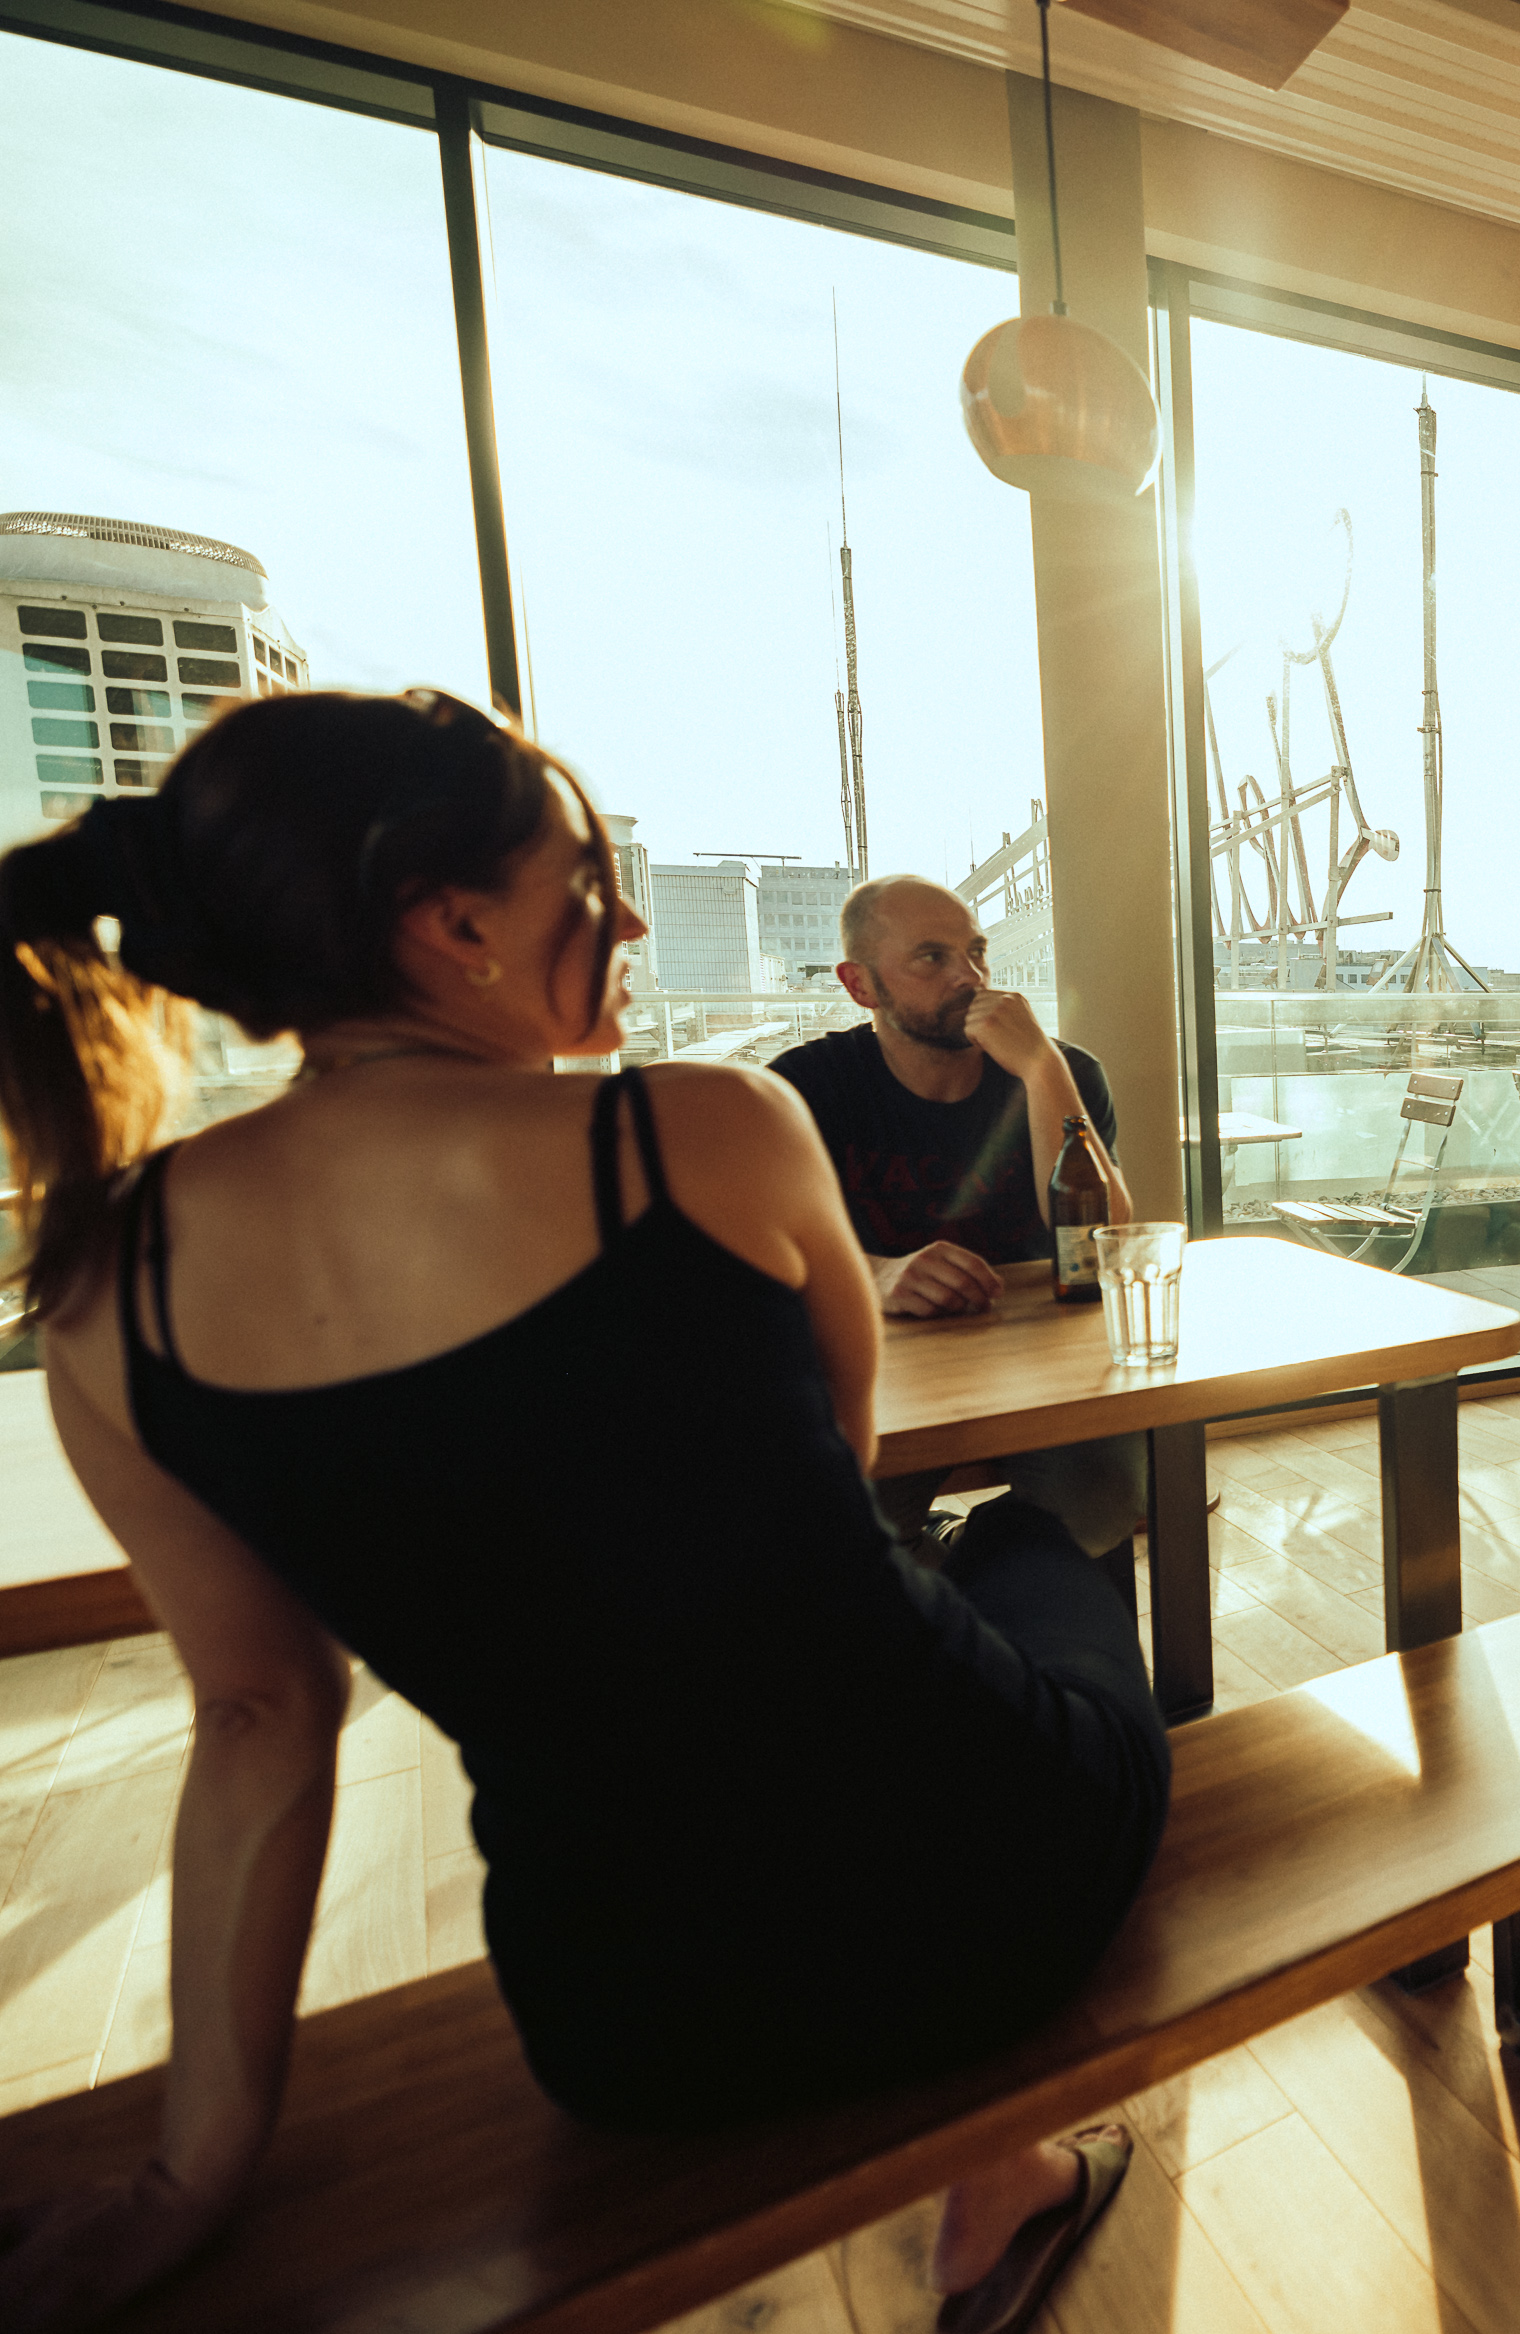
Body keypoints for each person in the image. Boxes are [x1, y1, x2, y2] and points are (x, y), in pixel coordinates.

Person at [0, 692, 1163, 2334]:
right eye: (589, 877)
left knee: (949, 1572)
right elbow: (838, 1508)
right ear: (453, 923)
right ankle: (1013, 2178)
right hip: (995, 1873)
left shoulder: (112, 1291)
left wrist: (188, 2179)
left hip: (627, 2012)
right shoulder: (699, 1127)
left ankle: (999, 2177)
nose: (627, 917)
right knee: (1041, 1534)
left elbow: (259, 1713)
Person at [769, 877, 1143, 1567]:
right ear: (860, 985)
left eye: (975, 952)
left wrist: (1039, 1068)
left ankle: (958, 1568)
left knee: (1105, 1495)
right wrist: (874, 1274)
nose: (969, 977)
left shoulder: (1065, 1074)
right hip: (885, 1368)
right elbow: (759, 1256)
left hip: (1044, 1361)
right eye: (931, 959)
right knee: (841, 1524)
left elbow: (1104, 1248)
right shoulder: (803, 1088)